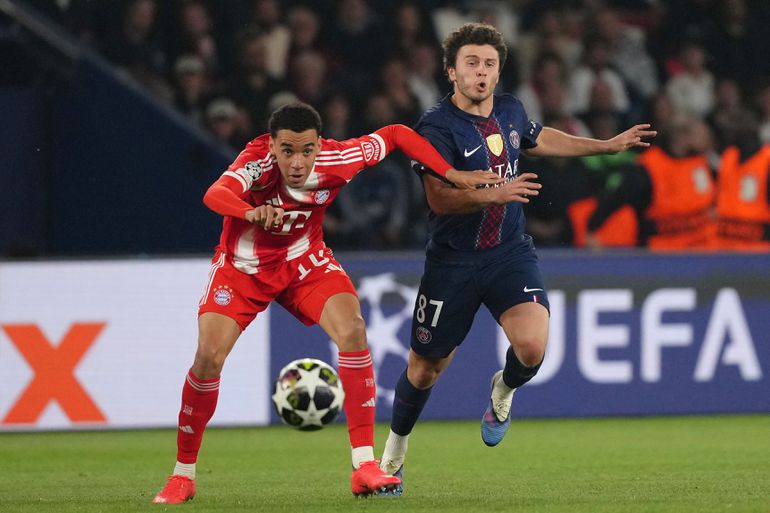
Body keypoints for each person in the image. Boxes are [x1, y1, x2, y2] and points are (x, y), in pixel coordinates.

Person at [151, 102, 505, 504]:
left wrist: (450, 173)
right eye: (287, 151)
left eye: (306, 150)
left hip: (305, 261)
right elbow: (215, 194)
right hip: (242, 268)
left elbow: (395, 134)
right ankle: (183, 476)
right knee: (208, 358)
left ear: (320, 145)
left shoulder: (339, 158)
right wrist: (250, 212)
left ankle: (364, 466)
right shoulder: (256, 163)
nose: (297, 162)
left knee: (353, 330)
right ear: (272, 146)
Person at [378, 23, 655, 495]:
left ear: (498, 71)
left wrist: (605, 145)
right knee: (424, 370)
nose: (481, 72)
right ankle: (393, 457)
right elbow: (439, 199)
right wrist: (494, 193)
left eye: (489, 64)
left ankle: (502, 390)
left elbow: (539, 138)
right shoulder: (436, 127)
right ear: (451, 72)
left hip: (508, 253)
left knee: (532, 348)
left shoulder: (510, 109)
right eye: (471, 63)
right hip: (453, 262)